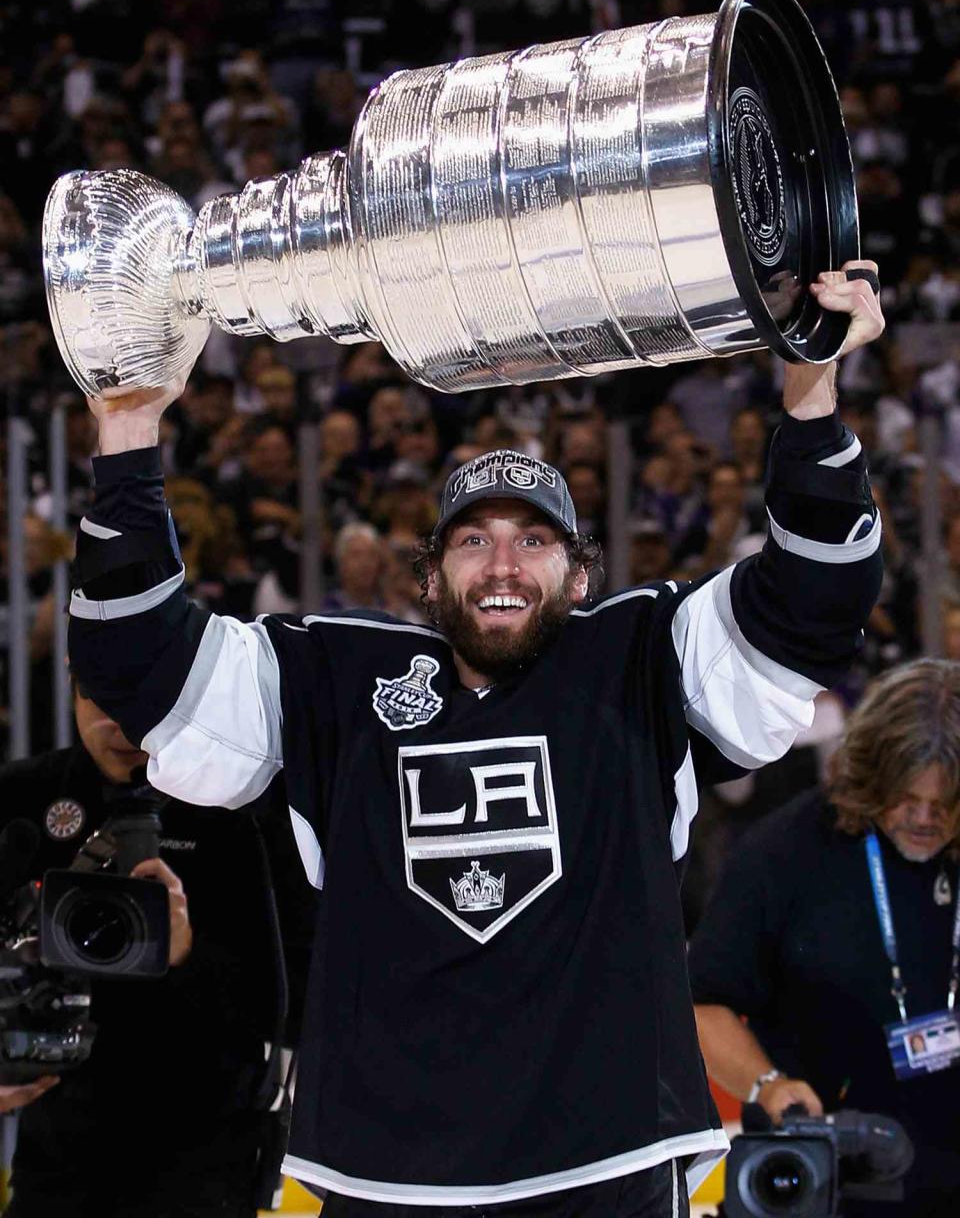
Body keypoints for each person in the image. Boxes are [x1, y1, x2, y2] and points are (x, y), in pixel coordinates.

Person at [66, 265, 883, 1218]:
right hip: (383, 1176)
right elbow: (138, 665)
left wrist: (811, 386)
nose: (503, 564)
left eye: (534, 542)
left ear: (581, 577)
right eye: (473, 541)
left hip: (607, 1164)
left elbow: (814, 603)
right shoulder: (332, 680)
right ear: (430, 579)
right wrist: (126, 434)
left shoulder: (641, 660)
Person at [0, 678, 311, 1218]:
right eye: (101, 693)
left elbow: (297, 1008)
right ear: (72, 687)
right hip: (55, 1156)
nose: (122, 720)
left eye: (142, 692)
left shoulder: (246, 811)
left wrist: (189, 953)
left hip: (202, 1157)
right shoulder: (24, 796)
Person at [689, 658, 960, 1218]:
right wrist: (767, 1084)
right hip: (828, 1181)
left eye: (946, 805)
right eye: (906, 797)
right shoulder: (785, 852)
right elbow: (703, 1004)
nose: (924, 818)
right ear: (869, 777)